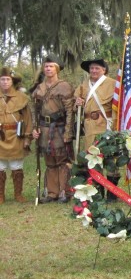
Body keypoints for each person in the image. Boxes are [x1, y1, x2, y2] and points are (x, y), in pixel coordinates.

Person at [31, 55, 75, 203]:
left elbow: (70, 111)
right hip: (43, 128)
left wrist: (68, 131)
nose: (48, 68)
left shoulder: (64, 86)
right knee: (50, 161)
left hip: (60, 127)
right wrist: (34, 128)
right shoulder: (39, 87)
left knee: (62, 160)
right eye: (46, 66)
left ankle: (65, 191)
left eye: (51, 66)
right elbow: (34, 111)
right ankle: (52, 192)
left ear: (57, 69)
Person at [74, 59, 117, 197]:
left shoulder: (113, 83)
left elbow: (118, 104)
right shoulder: (83, 85)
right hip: (89, 125)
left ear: (104, 70)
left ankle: (112, 192)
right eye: (92, 68)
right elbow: (75, 102)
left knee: (110, 158)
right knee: (93, 158)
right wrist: (77, 103)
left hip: (106, 124)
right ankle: (97, 190)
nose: (93, 71)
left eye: (97, 68)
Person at [0, 67, 33, 204]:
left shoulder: (22, 98)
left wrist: (27, 138)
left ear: (12, 81)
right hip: (0, 136)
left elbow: (28, 119)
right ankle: (0, 195)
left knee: (16, 167)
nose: (5, 82)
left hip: (16, 136)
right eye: (2, 79)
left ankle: (18, 194)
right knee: (0, 167)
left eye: (8, 79)